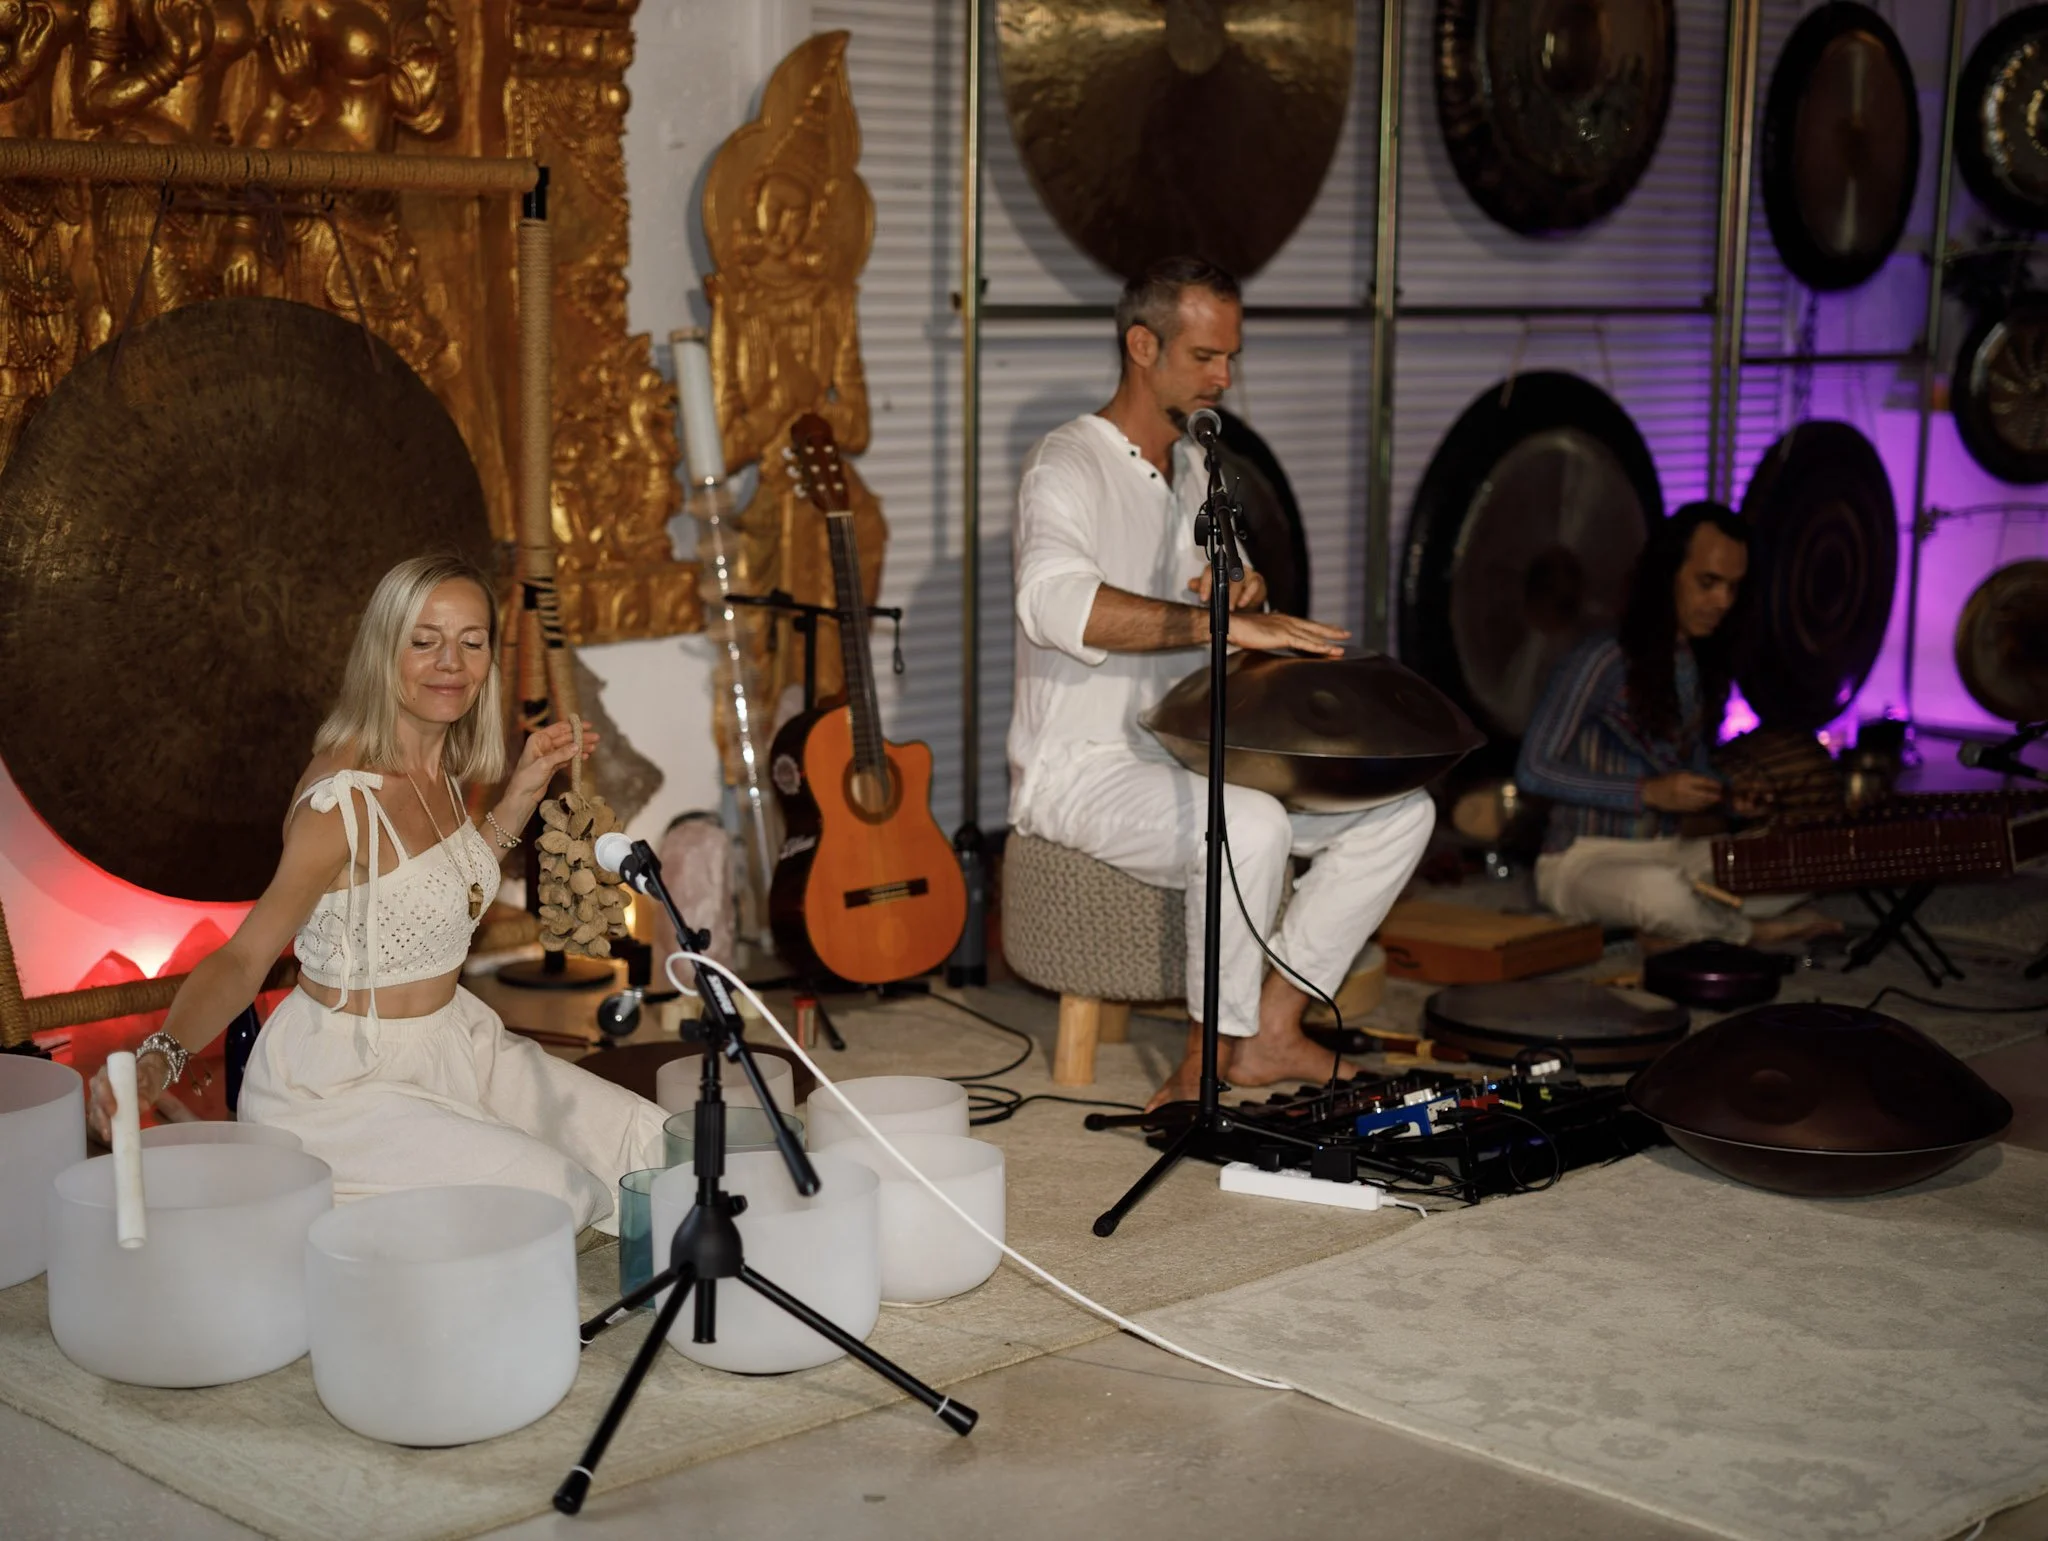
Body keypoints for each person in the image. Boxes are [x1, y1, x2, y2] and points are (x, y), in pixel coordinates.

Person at [87, 555, 666, 1231]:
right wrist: (162, 1053)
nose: (450, 661)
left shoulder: (439, 763)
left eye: (471, 641)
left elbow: (440, 899)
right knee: (556, 1193)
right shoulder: (340, 802)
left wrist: (521, 793)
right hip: (343, 1085)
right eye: (425, 641)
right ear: (383, 650)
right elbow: (245, 959)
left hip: (454, 1041)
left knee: (645, 1138)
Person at [1008, 256, 1436, 1111]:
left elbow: (1223, 601)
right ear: (1142, 345)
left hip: (1183, 748)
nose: (1225, 377)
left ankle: (1271, 1031)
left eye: (1231, 357)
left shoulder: (1199, 472)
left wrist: (1245, 594)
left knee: (1401, 811)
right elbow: (1052, 604)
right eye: (1206, 356)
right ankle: (1207, 1055)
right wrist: (1221, 622)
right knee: (1251, 820)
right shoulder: (1067, 465)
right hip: (1080, 768)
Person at [1516, 503, 1840, 950]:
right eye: (1708, 583)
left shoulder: (1698, 662)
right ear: (1666, 574)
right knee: (1660, 893)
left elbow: (1693, 766)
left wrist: (1728, 796)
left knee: (1803, 863)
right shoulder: (1600, 657)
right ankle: (1746, 932)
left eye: (1733, 587)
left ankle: (1684, 924)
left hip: (1672, 852)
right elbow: (1533, 768)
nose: (1723, 602)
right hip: (1582, 860)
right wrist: (1646, 792)